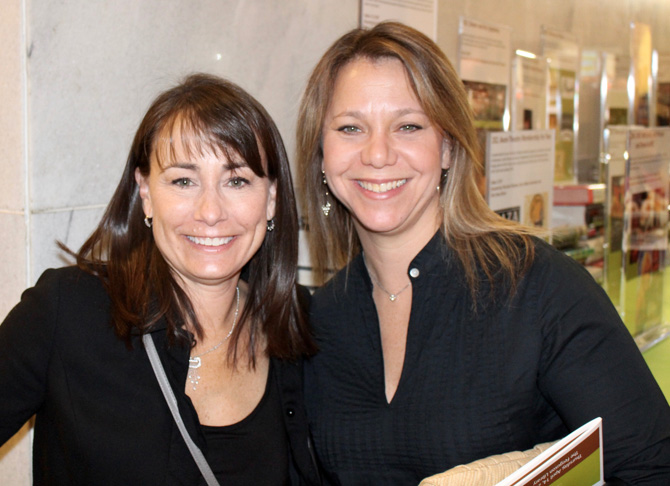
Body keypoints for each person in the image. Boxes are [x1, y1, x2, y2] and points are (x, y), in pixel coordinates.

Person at [296, 22, 670, 485]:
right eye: (350, 128)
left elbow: (651, 467)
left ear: (448, 148)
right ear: (322, 155)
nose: (377, 154)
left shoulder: (537, 288)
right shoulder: (321, 318)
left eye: (408, 126)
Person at [0, 73, 321, 485]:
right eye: (183, 181)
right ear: (146, 192)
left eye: (236, 180)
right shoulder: (67, 312)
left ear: (271, 198)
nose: (210, 212)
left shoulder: (299, 324)